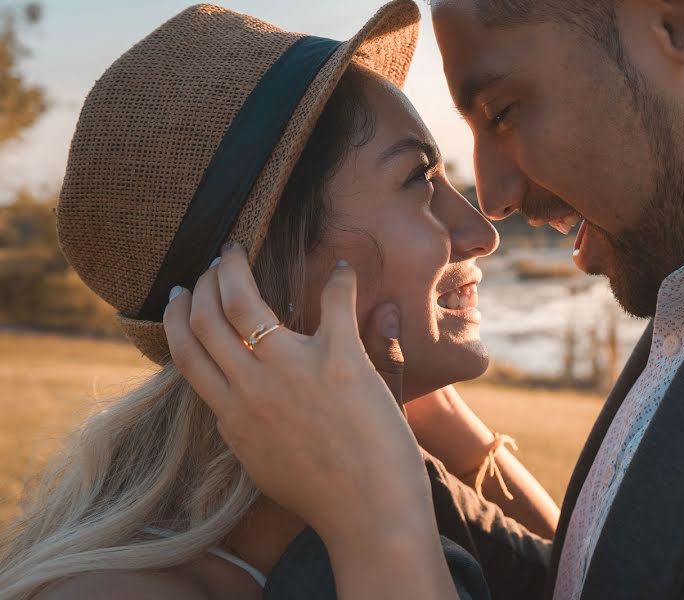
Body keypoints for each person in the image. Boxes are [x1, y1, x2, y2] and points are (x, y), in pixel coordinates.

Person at [168, 0, 684, 599]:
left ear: (680, 19)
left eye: (505, 110)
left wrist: (375, 526)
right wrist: (386, 449)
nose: (494, 197)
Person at [0, 3, 558, 599]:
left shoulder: (373, 478)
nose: (482, 233)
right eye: (418, 181)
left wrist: (430, 417)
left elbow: (570, 579)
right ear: (261, 275)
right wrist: (376, 527)